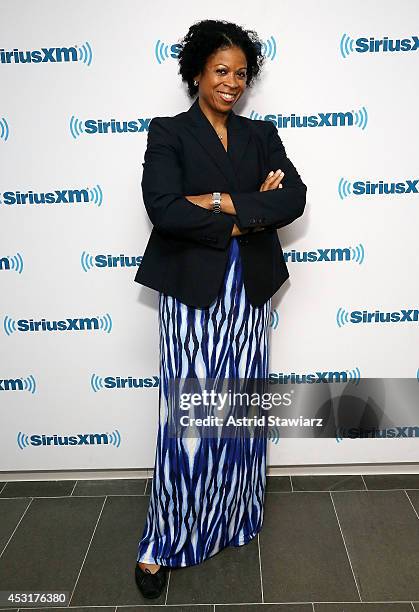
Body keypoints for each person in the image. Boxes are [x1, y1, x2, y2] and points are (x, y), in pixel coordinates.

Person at [133, 19, 307, 599]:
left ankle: (231, 519)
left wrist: (216, 200)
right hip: (192, 291)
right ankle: (163, 544)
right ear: (197, 73)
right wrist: (249, 208)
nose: (231, 81)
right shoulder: (170, 132)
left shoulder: (261, 135)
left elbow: (293, 198)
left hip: (248, 290)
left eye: (240, 72)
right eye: (220, 70)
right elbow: (163, 208)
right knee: (187, 418)